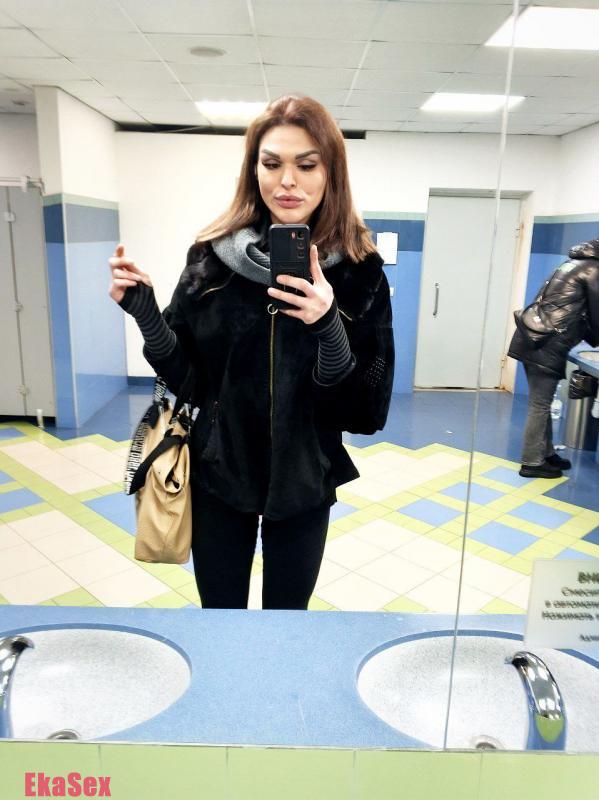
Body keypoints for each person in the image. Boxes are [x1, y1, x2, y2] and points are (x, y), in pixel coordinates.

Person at [109, 95, 394, 610]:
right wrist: (146, 313)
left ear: (331, 172)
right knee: (220, 618)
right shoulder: (210, 258)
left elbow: (364, 410)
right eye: (272, 163)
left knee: (287, 621)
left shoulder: (359, 271)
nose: (288, 181)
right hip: (219, 472)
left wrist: (327, 325)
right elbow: (189, 380)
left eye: (306, 165)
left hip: (304, 479)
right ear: (253, 169)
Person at [508, 238, 599, 478]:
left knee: (542, 403)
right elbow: (597, 313)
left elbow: (568, 306)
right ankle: (532, 462)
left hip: (534, 337)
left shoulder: (571, 264)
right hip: (548, 344)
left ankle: (547, 454)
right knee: (539, 405)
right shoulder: (593, 269)